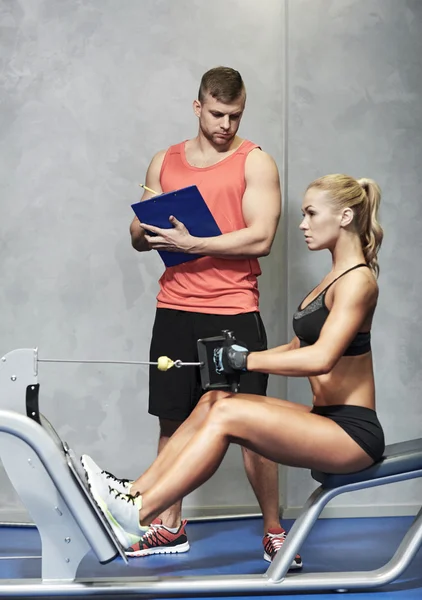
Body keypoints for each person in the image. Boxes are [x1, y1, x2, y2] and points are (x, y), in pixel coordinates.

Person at [83, 173, 385, 567]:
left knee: (227, 412)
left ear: (345, 217)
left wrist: (245, 360)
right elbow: (299, 347)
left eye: (311, 214)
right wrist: (237, 353)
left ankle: (137, 515)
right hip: (326, 419)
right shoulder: (332, 277)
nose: (302, 224)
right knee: (216, 398)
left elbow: (320, 358)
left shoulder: (358, 282)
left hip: (352, 434)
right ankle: (131, 495)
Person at [82, 66, 301, 566]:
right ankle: (169, 525)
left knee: (253, 428)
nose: (226, 124)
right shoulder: (166, 160)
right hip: (175, 307)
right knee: (173, 419)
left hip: (233, 308)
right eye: (218, 113)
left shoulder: (255, 162)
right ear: (198, 106)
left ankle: (273, 530)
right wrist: (145, 226)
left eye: (236, 115)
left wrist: (193, 242)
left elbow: (261, 237)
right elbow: (138, 235)